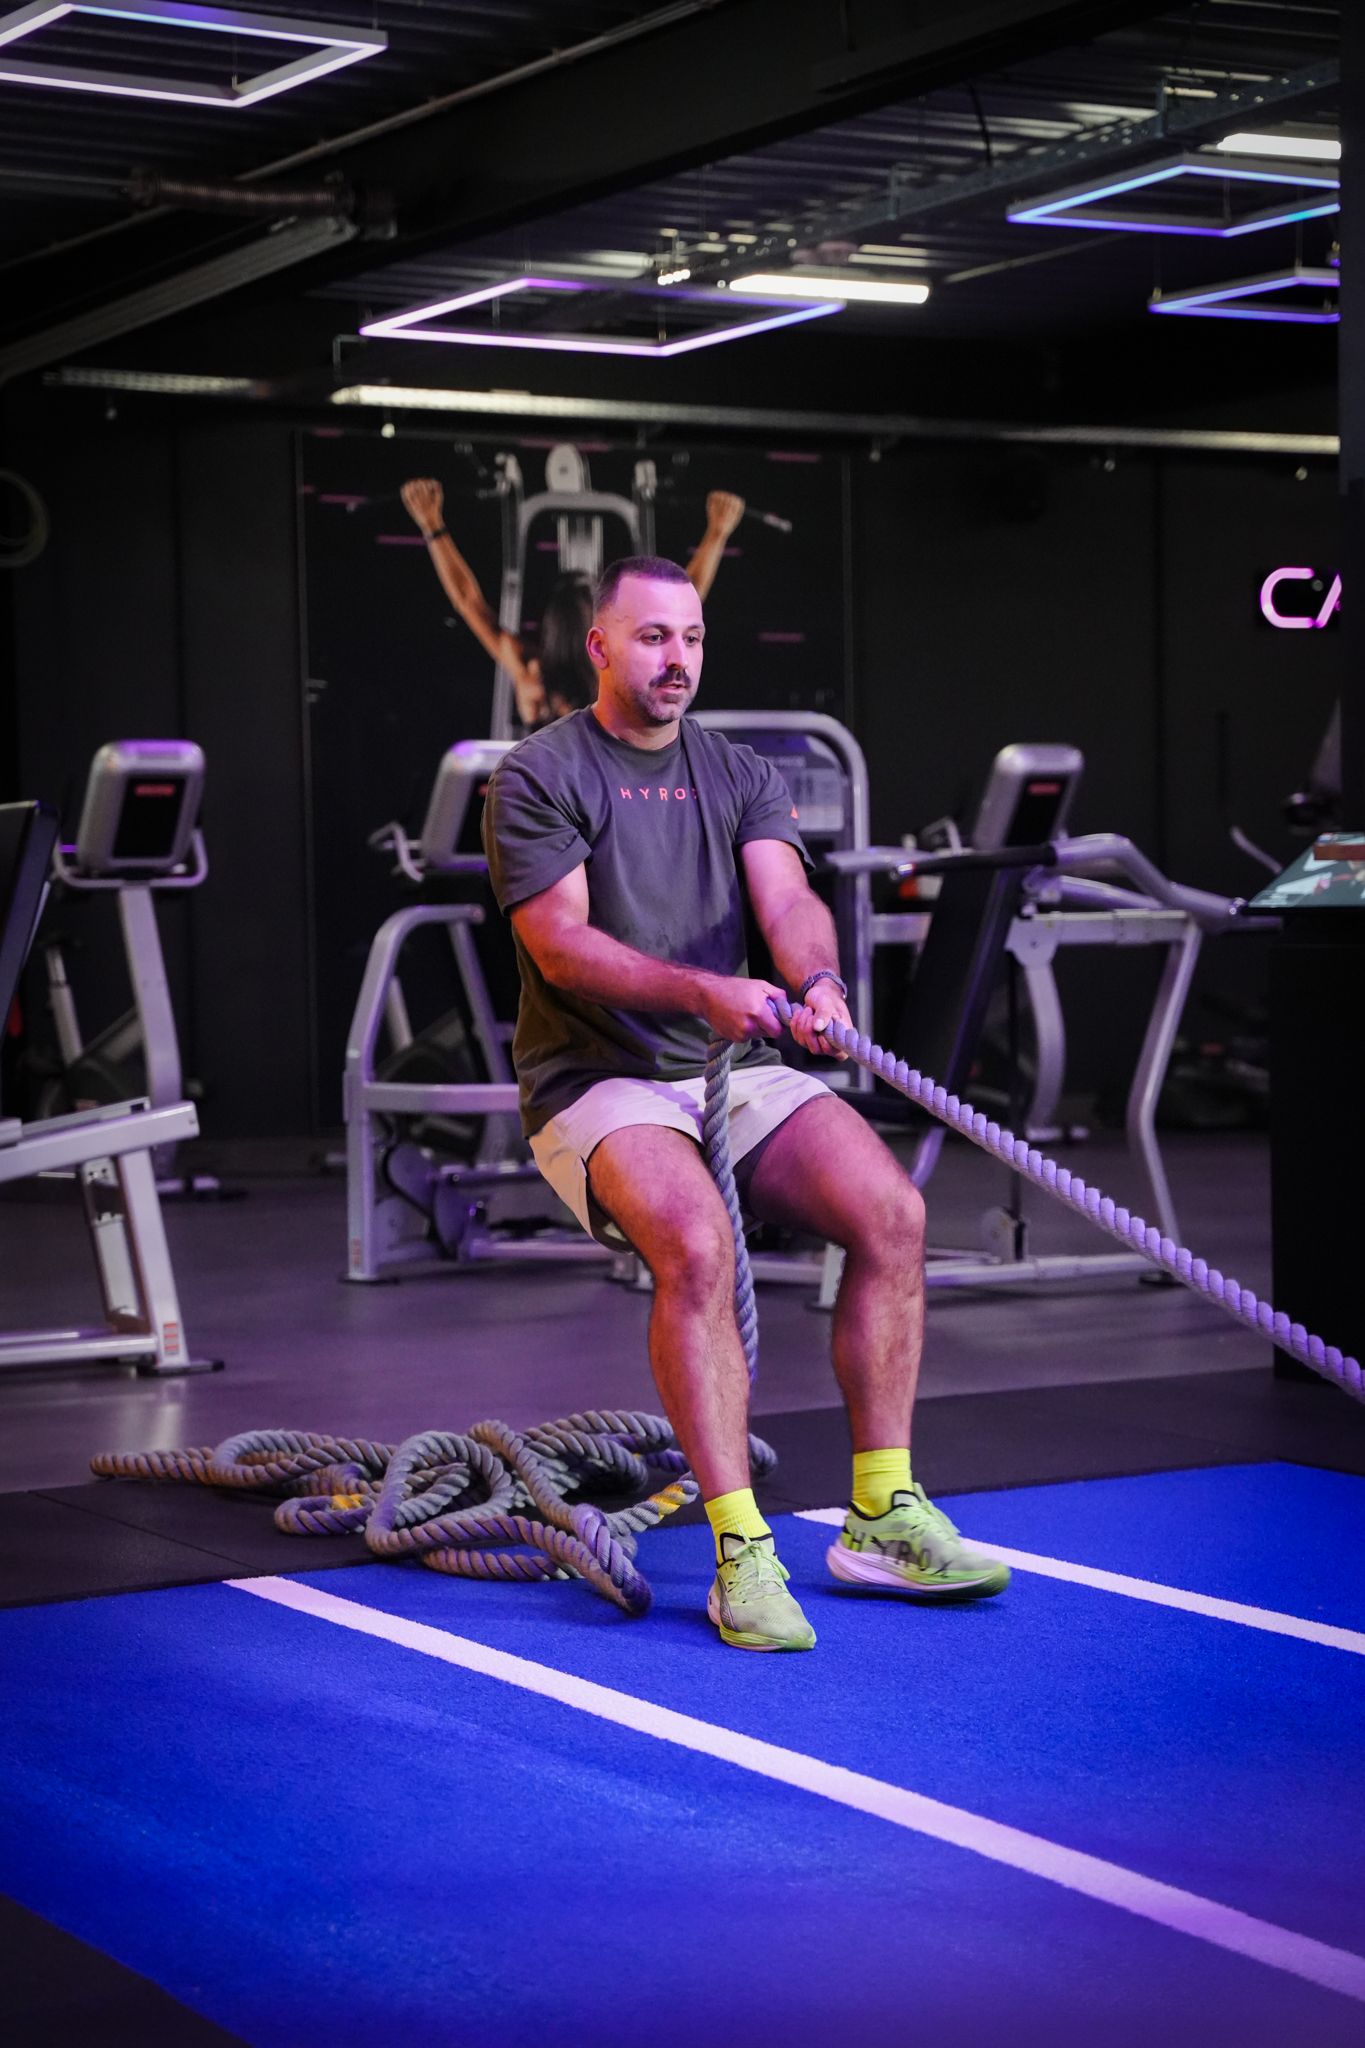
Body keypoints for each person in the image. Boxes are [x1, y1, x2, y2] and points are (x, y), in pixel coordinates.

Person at [482, 554, 1009, 1651]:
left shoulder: (738, 772)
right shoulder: (538, 773)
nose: (676, 661)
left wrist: (815, 980)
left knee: (893, 1216)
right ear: (601, 646)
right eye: (653, 638)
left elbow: (789, 895)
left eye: (693, 638)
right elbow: (563, 948)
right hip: (597, 1076)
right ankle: (740, 1548)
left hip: (726, 1058)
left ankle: (881, 1515)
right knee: (698, 1243)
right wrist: (707, 991)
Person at [401, 476, 746, 729]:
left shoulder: (533, 677)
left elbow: (467, 601)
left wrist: (432, 525)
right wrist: (717, 531)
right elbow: (686, 598)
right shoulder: (620, 670)